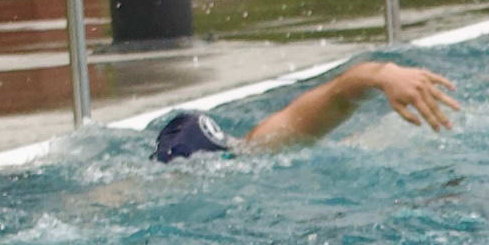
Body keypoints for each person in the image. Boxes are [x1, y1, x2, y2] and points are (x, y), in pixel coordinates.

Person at [141, 58, 467, 162]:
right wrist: (381, 75)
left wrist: (382, 75)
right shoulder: (255, 151)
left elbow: (336, 97)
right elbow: (337, 97)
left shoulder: (252, 153)